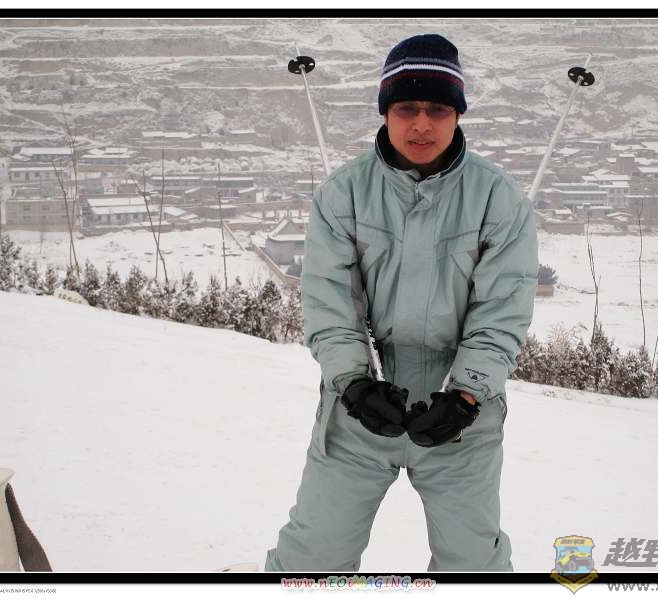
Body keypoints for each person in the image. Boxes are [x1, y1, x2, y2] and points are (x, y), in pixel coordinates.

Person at [265, 33, 538, 572]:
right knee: (313, 558)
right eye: (407, 108)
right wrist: (354, 384)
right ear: (386, 112)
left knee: (472, 567)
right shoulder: (343, 194)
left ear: (457, 114)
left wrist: (466, 396)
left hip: (461, 413)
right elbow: (329, 304)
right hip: (362, 404)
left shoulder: (498, 199)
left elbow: (501, 313)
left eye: (438, 109)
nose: (422, 125)